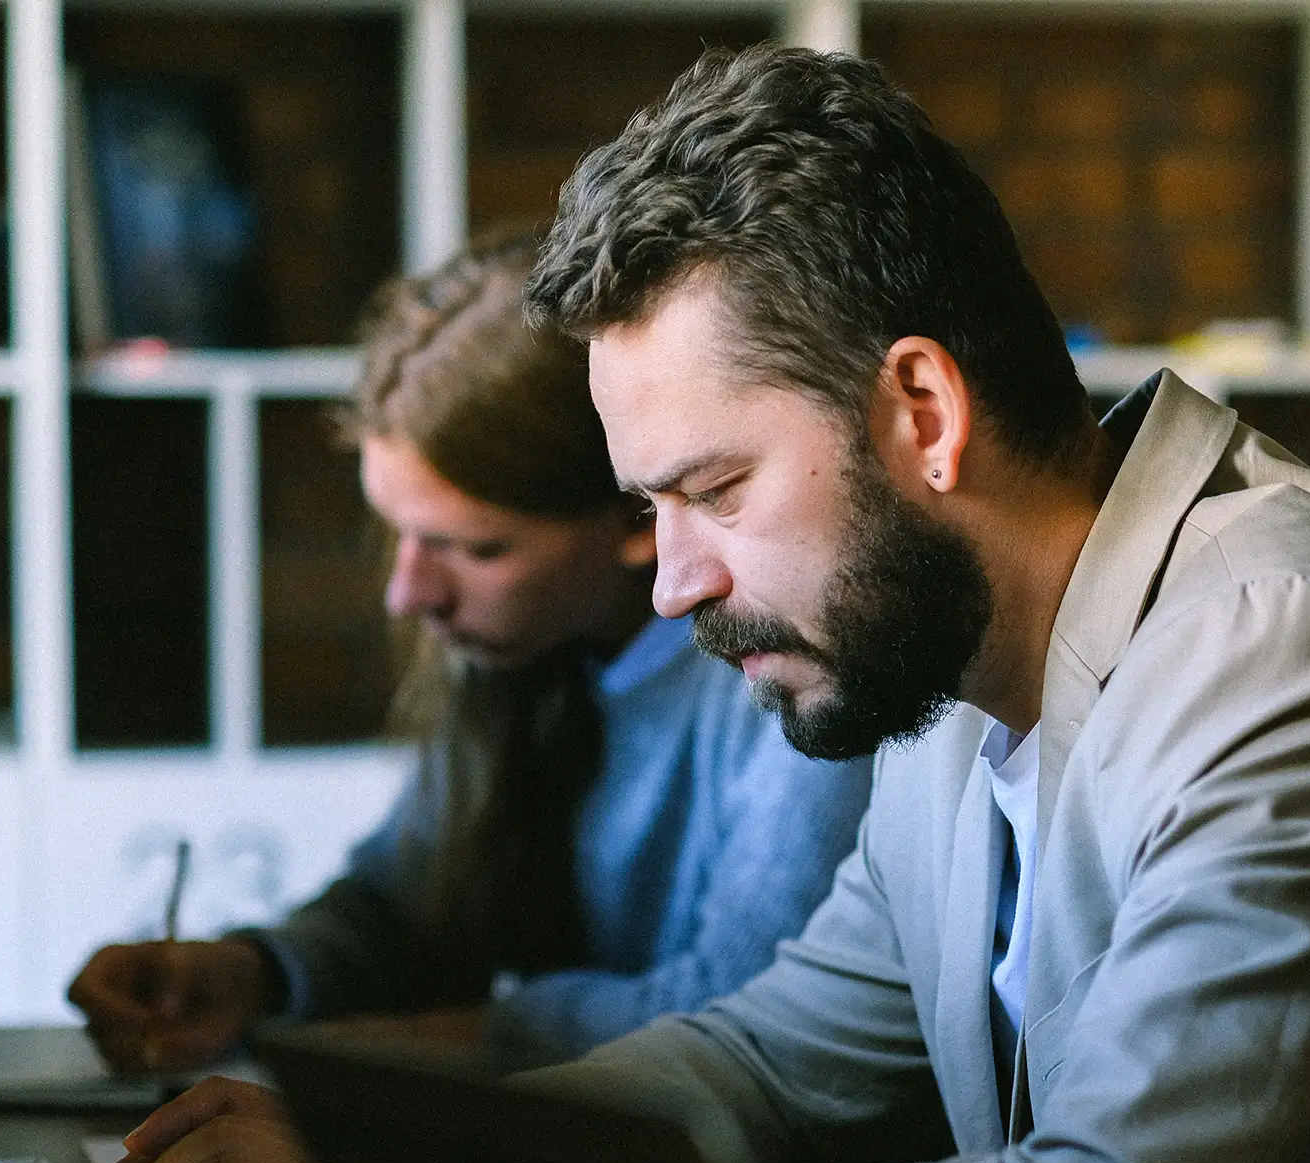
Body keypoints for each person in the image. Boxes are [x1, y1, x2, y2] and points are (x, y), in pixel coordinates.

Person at [83, 46, 1310, 1163]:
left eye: (713, 491)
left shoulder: (1286, 653)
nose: (674, 584)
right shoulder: (953, 665)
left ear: (921, 415)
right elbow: (775, 1057)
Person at [65, 233, 872, 1074]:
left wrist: (475, 1036)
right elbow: (408, 906)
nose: (408, 594)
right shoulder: (526, 653)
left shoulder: (788, 676)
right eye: (401, 535)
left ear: (640, 512)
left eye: (473, 548)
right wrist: (252, 972)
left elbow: (745, 1010)